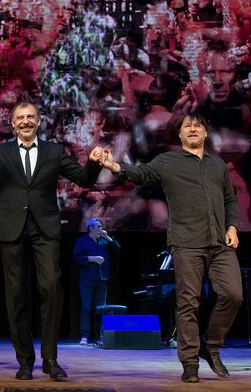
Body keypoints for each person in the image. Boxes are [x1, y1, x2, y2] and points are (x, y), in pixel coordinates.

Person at [0, 101, 103, 381]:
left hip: (44, 227)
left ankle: (50, 359)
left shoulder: (54, 151)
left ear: (38, 122)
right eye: (20, 118)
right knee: (16, 294)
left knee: (50, 287)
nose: (25, 121)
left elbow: (83, 178)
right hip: (11, 227)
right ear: (13, 124)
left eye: (30, 117)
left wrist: (93, 163)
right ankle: (25, 360)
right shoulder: (1, 152)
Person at [99, 112, 242, 383]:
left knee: (233, 295)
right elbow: (141, 174)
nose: (192, 129)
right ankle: (190, 363)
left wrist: (232, 226)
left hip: (219, 242)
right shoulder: (168, 161)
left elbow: (229, 199)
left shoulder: (218, 164)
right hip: (186, 242)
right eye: (187, 126)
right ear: (180, 133)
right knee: (188, 303)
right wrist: (114, 166)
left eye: (197, 125)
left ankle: (210, 346)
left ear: (205, 132)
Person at [72, 217, 121, 346]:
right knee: (86, 307)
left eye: (101, 227)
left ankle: (101, 336)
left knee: (102, 309)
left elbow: (117, 249)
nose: (101, 229)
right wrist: (92, 259)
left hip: (102, 278)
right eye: (99, 227)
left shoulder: (104, 240)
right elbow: (76, 257)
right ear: (91, 228)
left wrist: (108, 237)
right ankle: (84, 336)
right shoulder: (82, 241)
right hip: (87, 279)